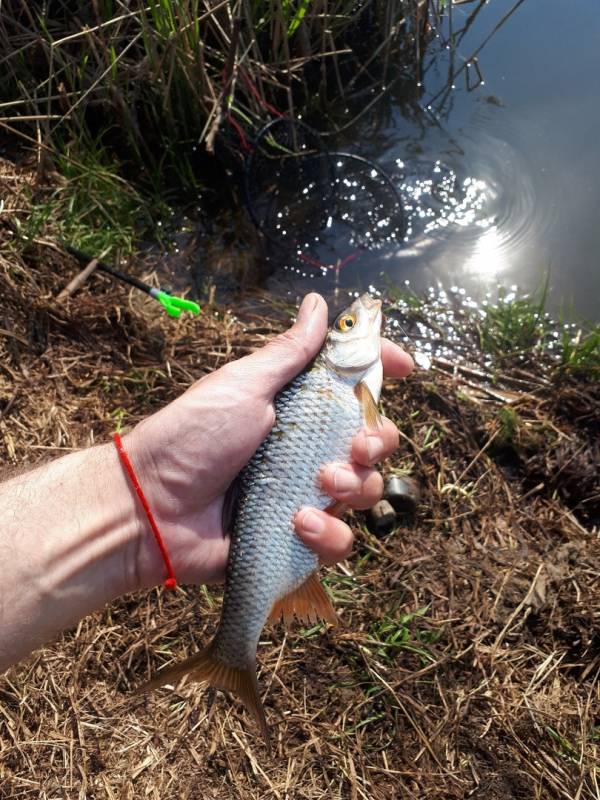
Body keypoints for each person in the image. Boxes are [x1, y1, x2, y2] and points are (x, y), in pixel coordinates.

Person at [0, 293, 413, 672]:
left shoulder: (349, 379)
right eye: (346, 325)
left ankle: (245, 636)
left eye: (347, 325)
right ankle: (233, 652)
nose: (362, 317)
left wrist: (135, 500)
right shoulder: (336, 378)